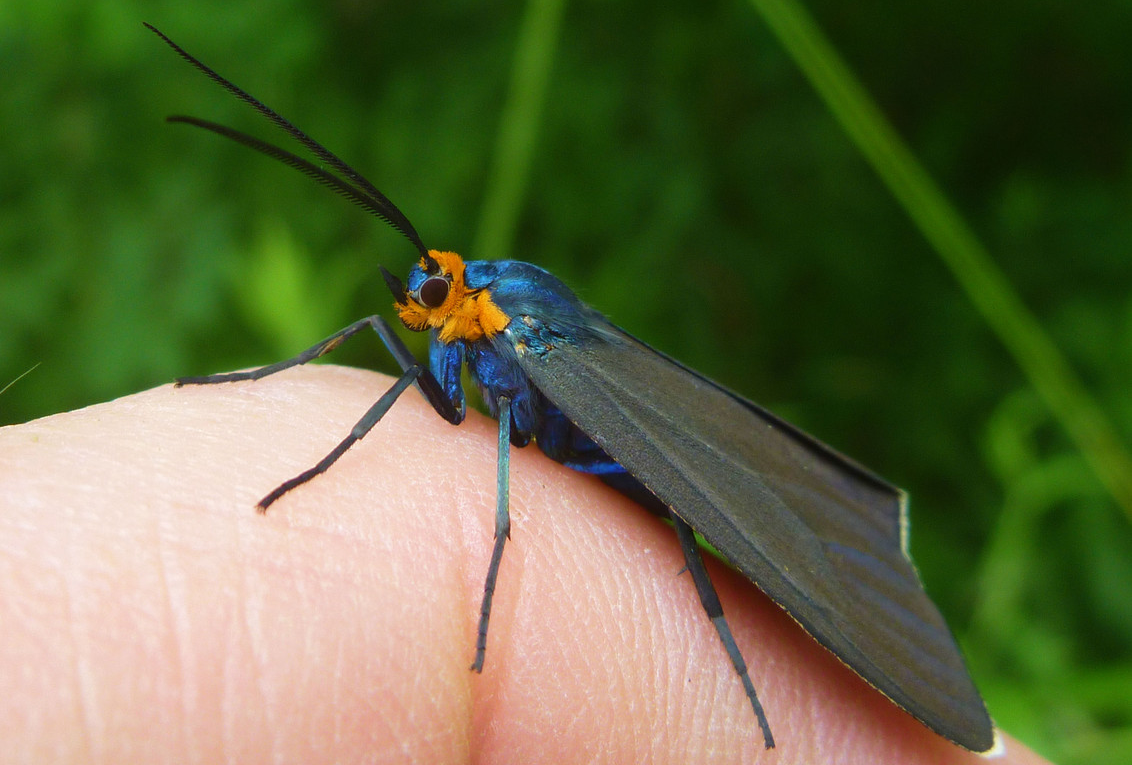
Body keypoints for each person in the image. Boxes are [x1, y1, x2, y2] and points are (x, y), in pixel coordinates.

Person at [1, 366, 1049, 764]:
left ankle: (774, 623)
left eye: (436, 294)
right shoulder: (460, 332)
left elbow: (514, 434)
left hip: (663, 455)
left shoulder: (511, 334)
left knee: (682, 501)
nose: (420, 312)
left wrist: (499, 549)